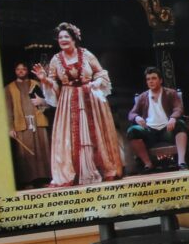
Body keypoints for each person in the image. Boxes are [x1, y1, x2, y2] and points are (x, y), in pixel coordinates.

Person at [31, 22, 123, 187]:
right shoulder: (56, 59)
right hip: (68, 100)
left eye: (66, 36)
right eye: (60, 37)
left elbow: (101, 73)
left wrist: (96, 83)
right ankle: (76, 172)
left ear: (74, 39)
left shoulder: (86, 54)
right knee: (72, 135)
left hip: (90, 98)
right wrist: (44, 80)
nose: (63, 40)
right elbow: (54, 83)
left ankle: (98, 168)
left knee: (93, 132)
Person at [126, 67, 189, 172]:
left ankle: (181, 162)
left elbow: (178, 108)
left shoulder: (170, 93)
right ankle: (148, 164)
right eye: (148, 79)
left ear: (160, 80)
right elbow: (132, 113)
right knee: (132, 131)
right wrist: (136, 117)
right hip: (149, 131)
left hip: (167, 129)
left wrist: (173, 118)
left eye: (154, 78)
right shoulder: (143, 96)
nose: (151, 81)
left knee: (180, 124)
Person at [4, 62, 51, 188]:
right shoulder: (9, 88)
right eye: (18, 69)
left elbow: (47, 102)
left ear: (27, 70)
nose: (21, 71)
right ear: (15, 71)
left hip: (38, 122)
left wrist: (43, 103)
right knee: (25, 153)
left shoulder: (36, 84)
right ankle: (28, 181)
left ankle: (43, 179)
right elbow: (8, 110)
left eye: (23, 69)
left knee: (42, 150)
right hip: (22, 124)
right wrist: (10, 128)